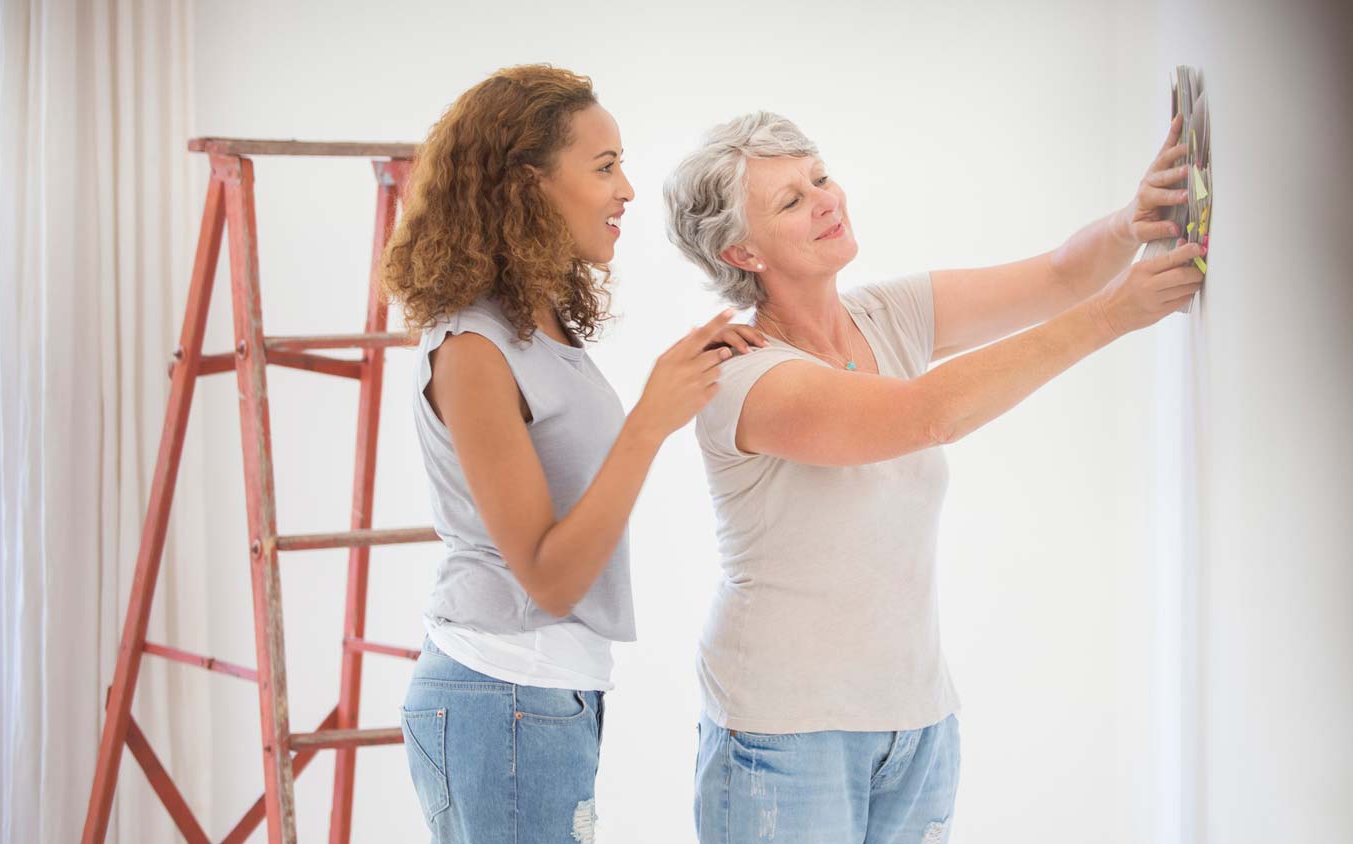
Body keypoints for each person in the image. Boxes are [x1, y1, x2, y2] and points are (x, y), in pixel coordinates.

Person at [663, 110, 1202, 843]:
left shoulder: (888, 313)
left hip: (918, 722)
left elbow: (1057, 276)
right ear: (741, 250)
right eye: (791, 201)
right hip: (785, 736)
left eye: (819, 177)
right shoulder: (741, 375)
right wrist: (1116, 315)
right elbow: (927, 415)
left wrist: (1127, 226)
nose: (827, 199)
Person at [379, 65, 765, 844]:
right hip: (502, 691)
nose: (626, 189)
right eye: (603, 167)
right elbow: (549, 578)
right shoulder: (472, 348)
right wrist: (651, 419)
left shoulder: (533, 325)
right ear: (527, 186)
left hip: (545, 693)